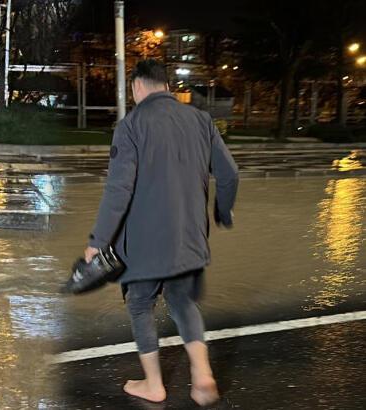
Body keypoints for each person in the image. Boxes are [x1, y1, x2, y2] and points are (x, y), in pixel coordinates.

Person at [84, 60, 238, 405]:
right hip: (189, 236)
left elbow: (118, 190)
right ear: (167, 86)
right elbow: (229, 175)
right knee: (183, 302)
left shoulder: (131, 126)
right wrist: (222, 212)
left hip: (142, 244)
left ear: (138, 87)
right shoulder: (201, 120)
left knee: (140, 305)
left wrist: (97, 241)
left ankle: (153, 384)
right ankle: (202, 377)